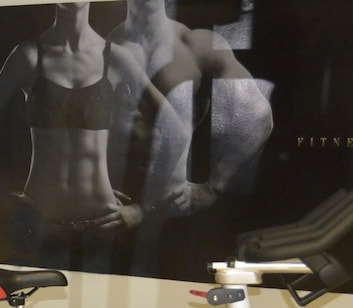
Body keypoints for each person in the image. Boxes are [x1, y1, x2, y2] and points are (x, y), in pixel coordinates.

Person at [0, 3, 186, 268]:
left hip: (102, 225)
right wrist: (3, 196)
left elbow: (175, 131)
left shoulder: (116, 58)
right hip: (42, 225)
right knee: (42, 293)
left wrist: (142, 209)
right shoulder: (29, 55)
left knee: (99, 294)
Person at [108, 0, 273, 217]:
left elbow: (259, 117)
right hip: (115, 203)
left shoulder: (196, 45)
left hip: (170, 204)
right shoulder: (105, 45)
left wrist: (212, 189)